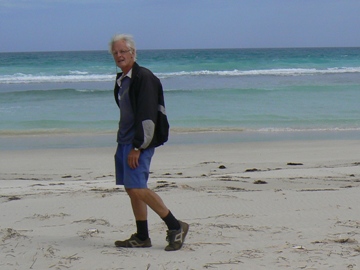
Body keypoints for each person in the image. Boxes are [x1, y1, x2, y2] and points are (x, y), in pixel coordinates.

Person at [109, 34, 189, 251]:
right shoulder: (122, 80)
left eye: (123, 51)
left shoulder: (144, 78)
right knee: (132, 188)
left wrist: (138, 146)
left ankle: (175, 226)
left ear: (133, 53)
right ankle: (142, 236)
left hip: (139, 142)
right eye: (115, 52)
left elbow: (147, 117)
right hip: (125, 140)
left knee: (136, 187)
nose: (119, 55)